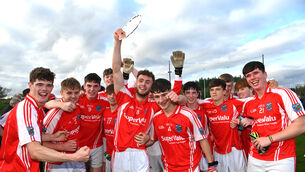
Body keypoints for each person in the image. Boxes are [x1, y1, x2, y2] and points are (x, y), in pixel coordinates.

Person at [111, 28, 186, 172]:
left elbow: (175, 96)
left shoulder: (154, 105)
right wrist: (117, 42)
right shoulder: (124, 97)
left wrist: (150, 140)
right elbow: (115, 70)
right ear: (136, 82)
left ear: (152, 86)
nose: (143, 84)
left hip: (140, 153)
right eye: (141, 80)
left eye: (147, 82)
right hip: (120, 153)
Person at [0, 67, 89, 172]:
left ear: (52, 88)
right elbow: (35, 152)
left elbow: (25, 134)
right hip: (17, 168)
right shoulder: (26, 109)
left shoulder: (37, 108)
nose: (44, 89)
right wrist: (75, 157)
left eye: (48, 85)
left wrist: (53, 137)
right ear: (30, 85)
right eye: (39, 84)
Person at [241, 61, 305, 172]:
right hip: (254, 158)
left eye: (255, 73)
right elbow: (252, 122)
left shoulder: (283, 94)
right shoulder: (248, 103)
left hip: (281, 159)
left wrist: (270, 139)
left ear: (265, 75)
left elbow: (301, 125)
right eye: (248, 76)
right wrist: (246, 121)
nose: (252, 78)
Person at [148, 78, 217, 172]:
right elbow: (152, 139)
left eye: (164, 95)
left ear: (170, 93)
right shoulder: (156, 118)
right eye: (157, 96)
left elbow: (202, 139)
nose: (161, 100)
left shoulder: (188, 114)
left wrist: (211, 164)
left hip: (190, 167)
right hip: (168, 168)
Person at [43, 77, 86, 171]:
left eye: (76, 92)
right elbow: (38, 142)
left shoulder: (77, 106)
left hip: (77, 157)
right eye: (69, 93)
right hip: (58, 162)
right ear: (61, 93)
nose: (73, 96)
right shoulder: (54, 114)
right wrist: (62, 147)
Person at [203, 79, 247, 172]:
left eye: (218, 89)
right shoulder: (206, 105)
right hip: (218, 150)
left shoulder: (234, 104)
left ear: (224, 92)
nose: (214, 92)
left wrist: (241, 120)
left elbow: (254, 100)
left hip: (235, 149)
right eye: (212, 90)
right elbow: (188, 100)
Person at [182, 81, 212, 172]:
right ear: (183, 94)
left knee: (208, 169)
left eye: (194, 93)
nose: (191, 96)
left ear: (198, 94)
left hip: (206, 149)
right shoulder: (180, 110)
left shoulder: (204, 107)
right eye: (188, 93)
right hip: (189, 151)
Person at [102, 84, 118, 172]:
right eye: (109, 94)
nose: (112, 96)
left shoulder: (122, 111)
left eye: (114, 94)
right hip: (108, 152)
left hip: (120, 153)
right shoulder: (105, 111)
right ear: (106, 95)